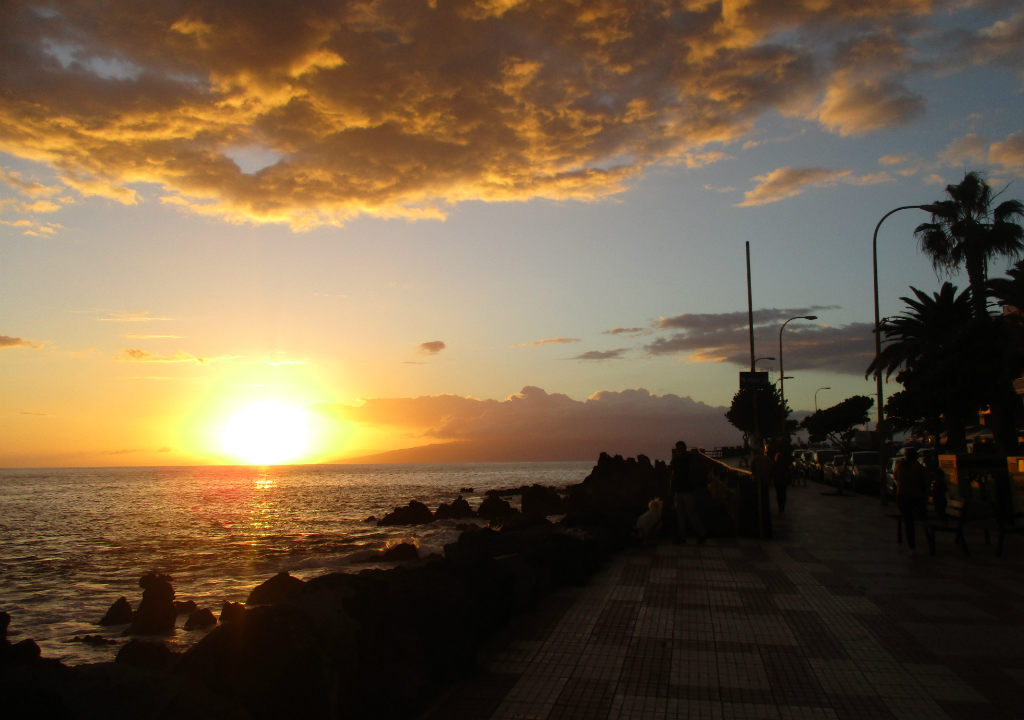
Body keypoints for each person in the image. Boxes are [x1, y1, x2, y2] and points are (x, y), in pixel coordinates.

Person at [670, 441, 707, 544]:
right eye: (678, 448)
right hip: (680, 491)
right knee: (681, 515)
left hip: (687, 491)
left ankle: (701, 533)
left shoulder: (689, 459)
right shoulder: (679, 460)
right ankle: (682, 537)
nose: (678, 450)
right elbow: (673, 475)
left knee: (691, 514)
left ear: (683, 449)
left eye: (679, 448)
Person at [895, 447, 927, 551]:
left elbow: (896, 478)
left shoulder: (899, 466)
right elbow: (924, 482)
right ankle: (918, 542)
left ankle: (912, 545)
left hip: (902, 497)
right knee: (915, 520)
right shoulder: (918, 467)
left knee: (909, 522)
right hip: (915, 497)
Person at [771, 441, 791, 513]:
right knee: (783, 494)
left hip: (777, 481)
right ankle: (782, 506)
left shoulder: (774, 464)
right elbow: (787, 471)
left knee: (778, 494)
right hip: (783, 481)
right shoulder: (784, 463)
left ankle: (780, 506)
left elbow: (772, 472)